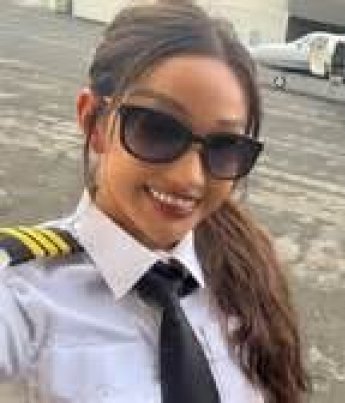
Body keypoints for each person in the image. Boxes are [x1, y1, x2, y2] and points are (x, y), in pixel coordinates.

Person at [0, 1, 308, 402]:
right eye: (157, 129)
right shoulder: (22, 294)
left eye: (224, 146)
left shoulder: (246, 276)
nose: (190, 177)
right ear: (94, 121)